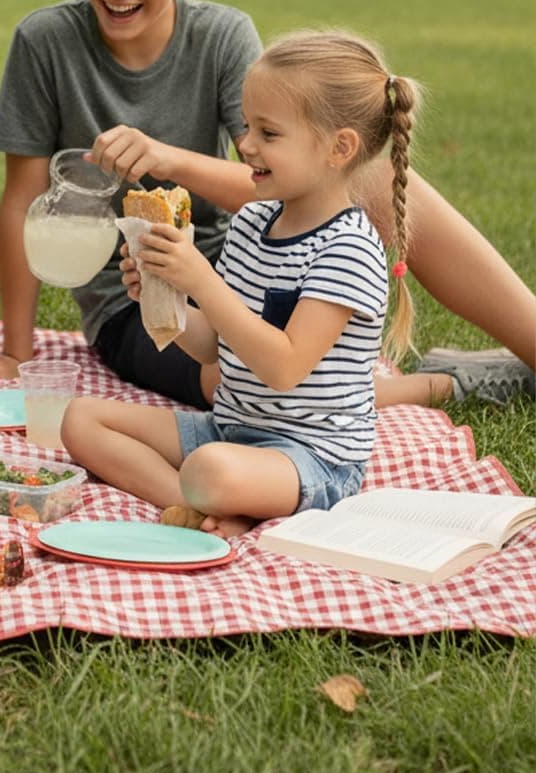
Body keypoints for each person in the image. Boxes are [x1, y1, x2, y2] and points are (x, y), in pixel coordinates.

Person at [0, 0, 534, 408]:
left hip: (245, 264)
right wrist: (14, 352)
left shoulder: (222, 35)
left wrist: (166, 159)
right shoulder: (44, 41)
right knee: (234, 382)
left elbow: (278, 180)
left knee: (377, 179)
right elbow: (22, 202)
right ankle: (446, 383)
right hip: (136, 297)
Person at [61, 31, 414, 536]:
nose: (244, 145)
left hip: (310, 457)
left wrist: (203, 282)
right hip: (228, 428)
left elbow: (284, 367)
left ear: (340, 148)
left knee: (211, 469)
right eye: (247, 126)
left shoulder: (348, 249)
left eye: (268, 133)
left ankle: (210, 495)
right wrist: (162, 297)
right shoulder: (251, 222)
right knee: (80, 419)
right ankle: (195, 507)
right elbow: (214, 349)